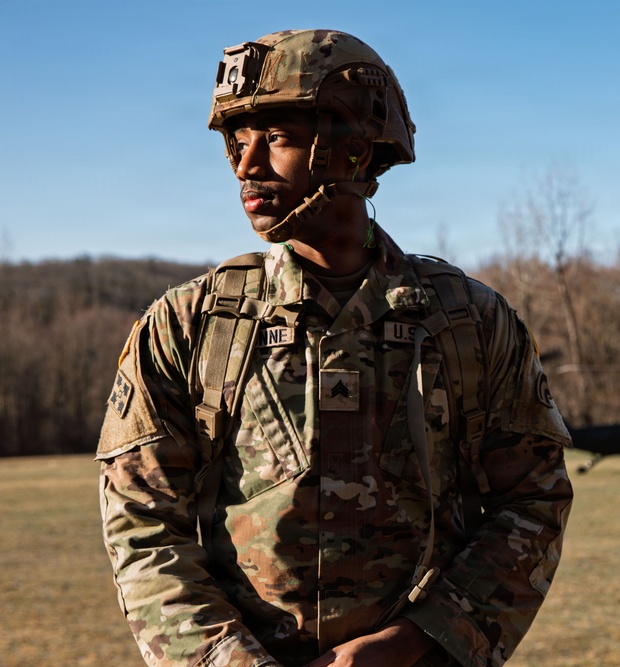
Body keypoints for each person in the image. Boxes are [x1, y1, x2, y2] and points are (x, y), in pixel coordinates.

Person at [97, 29, 573, 667]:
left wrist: (422, 641)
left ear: (355, 149)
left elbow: (533, 499)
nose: (246, 165)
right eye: (237, 142)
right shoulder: (187, 326)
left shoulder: (470, 323)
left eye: (278, 138)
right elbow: (142, 525)